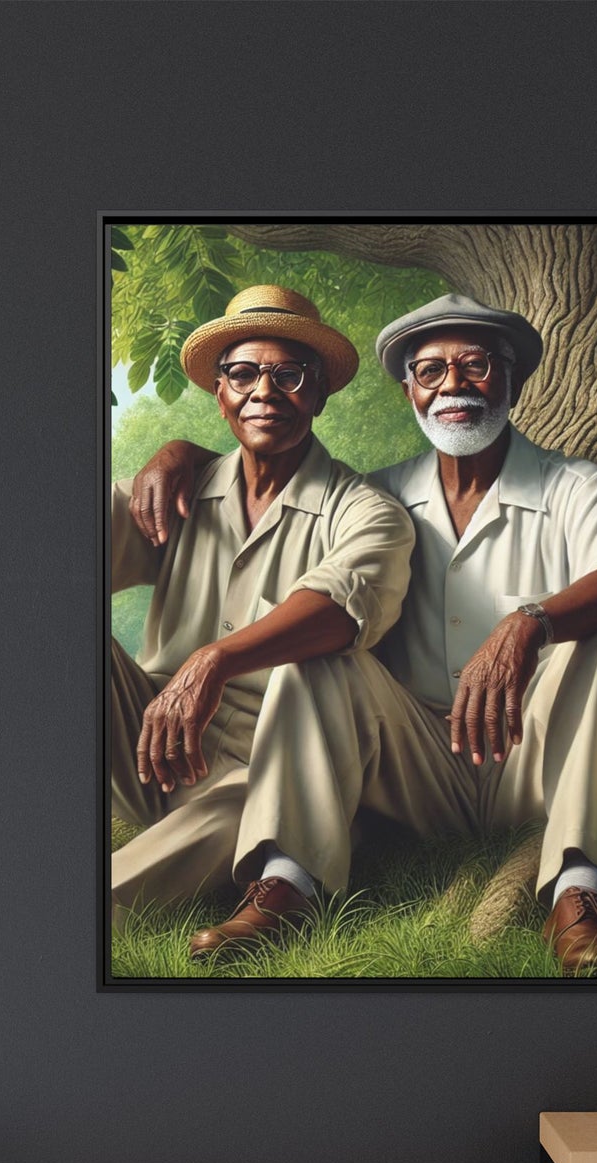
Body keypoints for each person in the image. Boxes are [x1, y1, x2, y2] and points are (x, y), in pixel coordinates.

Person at [131, 294, 597, 974]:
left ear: (512, 377)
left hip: (537, 754)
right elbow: (268, 454)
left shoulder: (575, 487)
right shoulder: (382, 494)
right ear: (408, 388)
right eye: (429, 369)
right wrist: (182, 451)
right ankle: (286, 887)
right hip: (419, 763)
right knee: (322, 645)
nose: (452, 384)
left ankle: (580, 892)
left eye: (474, 365)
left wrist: (528, 622)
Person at [110, 285, 414, 957]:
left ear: (319, 392)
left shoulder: (366, 510)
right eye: (243, 373)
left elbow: (342, 609)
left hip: (265, 773)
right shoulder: (180, 487)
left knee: (217, 829)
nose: (263, 391)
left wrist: (211, 658)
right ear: (218, 392)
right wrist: (167, 453)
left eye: (288, 374)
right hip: (147, 741)